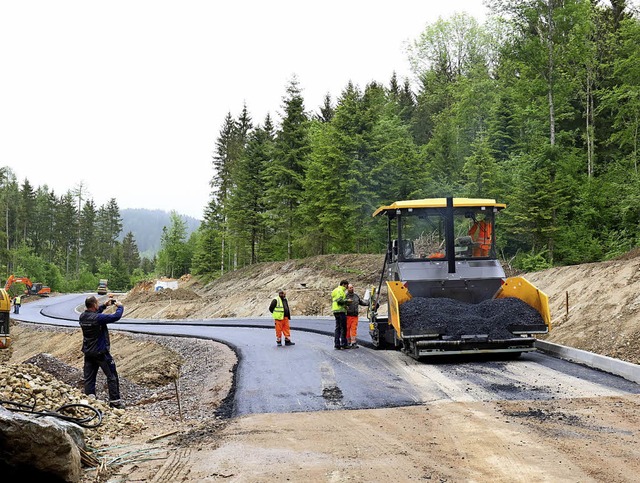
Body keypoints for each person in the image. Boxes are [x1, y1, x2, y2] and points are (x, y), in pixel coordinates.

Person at [79, 295, 125, 409]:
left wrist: (104, 305)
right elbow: (115, 317)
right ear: (94, 305)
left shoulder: (82, 317)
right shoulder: (98, 318)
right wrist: (120, 307)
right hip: (101, 353)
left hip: (88, 352)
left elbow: (93, 314)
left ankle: (90, 399)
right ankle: (115, 401)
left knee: (89, 378)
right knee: (112, 375)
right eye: (97, 303)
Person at [345, 284, 368, 348]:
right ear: (347, 289)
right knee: (347, 329)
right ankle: (348, 342)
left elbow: (361, 302)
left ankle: (353, 342)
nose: (351, 289)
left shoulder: (356, 296)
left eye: (352, 287)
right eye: (350, 288)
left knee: (354, 329)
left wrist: (369, 304)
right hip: (348, 316)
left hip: (355, 316)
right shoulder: (345, 296)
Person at [331, 279, 349, 350]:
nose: (347, 287)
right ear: (344, 284)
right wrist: (347, 301)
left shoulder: (335, 290)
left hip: (336, 311)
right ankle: (343, 344)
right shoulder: (340, 290)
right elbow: (339, 300)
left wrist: (344, 305)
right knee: (343, 328)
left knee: (337, 328)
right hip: (341, 311)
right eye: (347, 285)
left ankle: (337, 344)